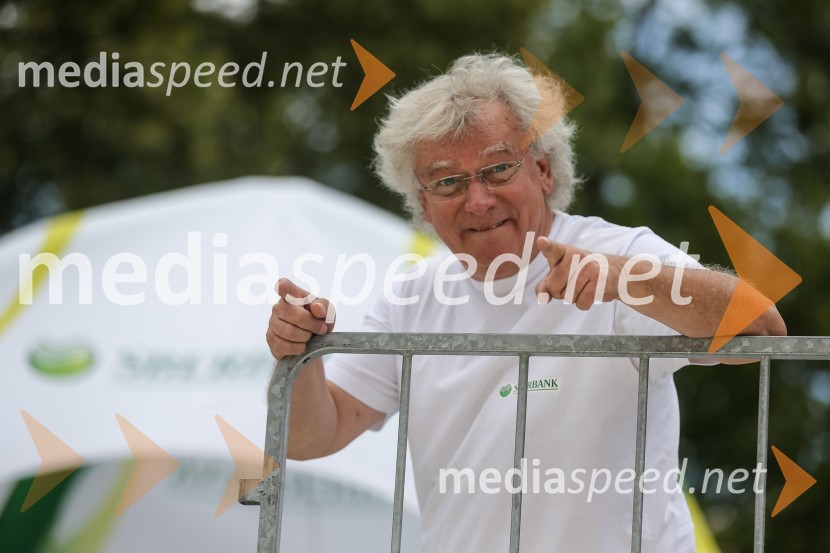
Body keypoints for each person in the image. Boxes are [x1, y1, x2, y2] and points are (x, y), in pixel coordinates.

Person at [266, 53, 785, 552]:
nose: (478, 199)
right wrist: (300, 354)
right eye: (447, 181)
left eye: (498, 169)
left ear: (543, 170)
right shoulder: (411, 296)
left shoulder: (616, 254)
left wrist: (623, 280)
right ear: (422, 202)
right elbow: (313, 436)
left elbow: (761, 331)